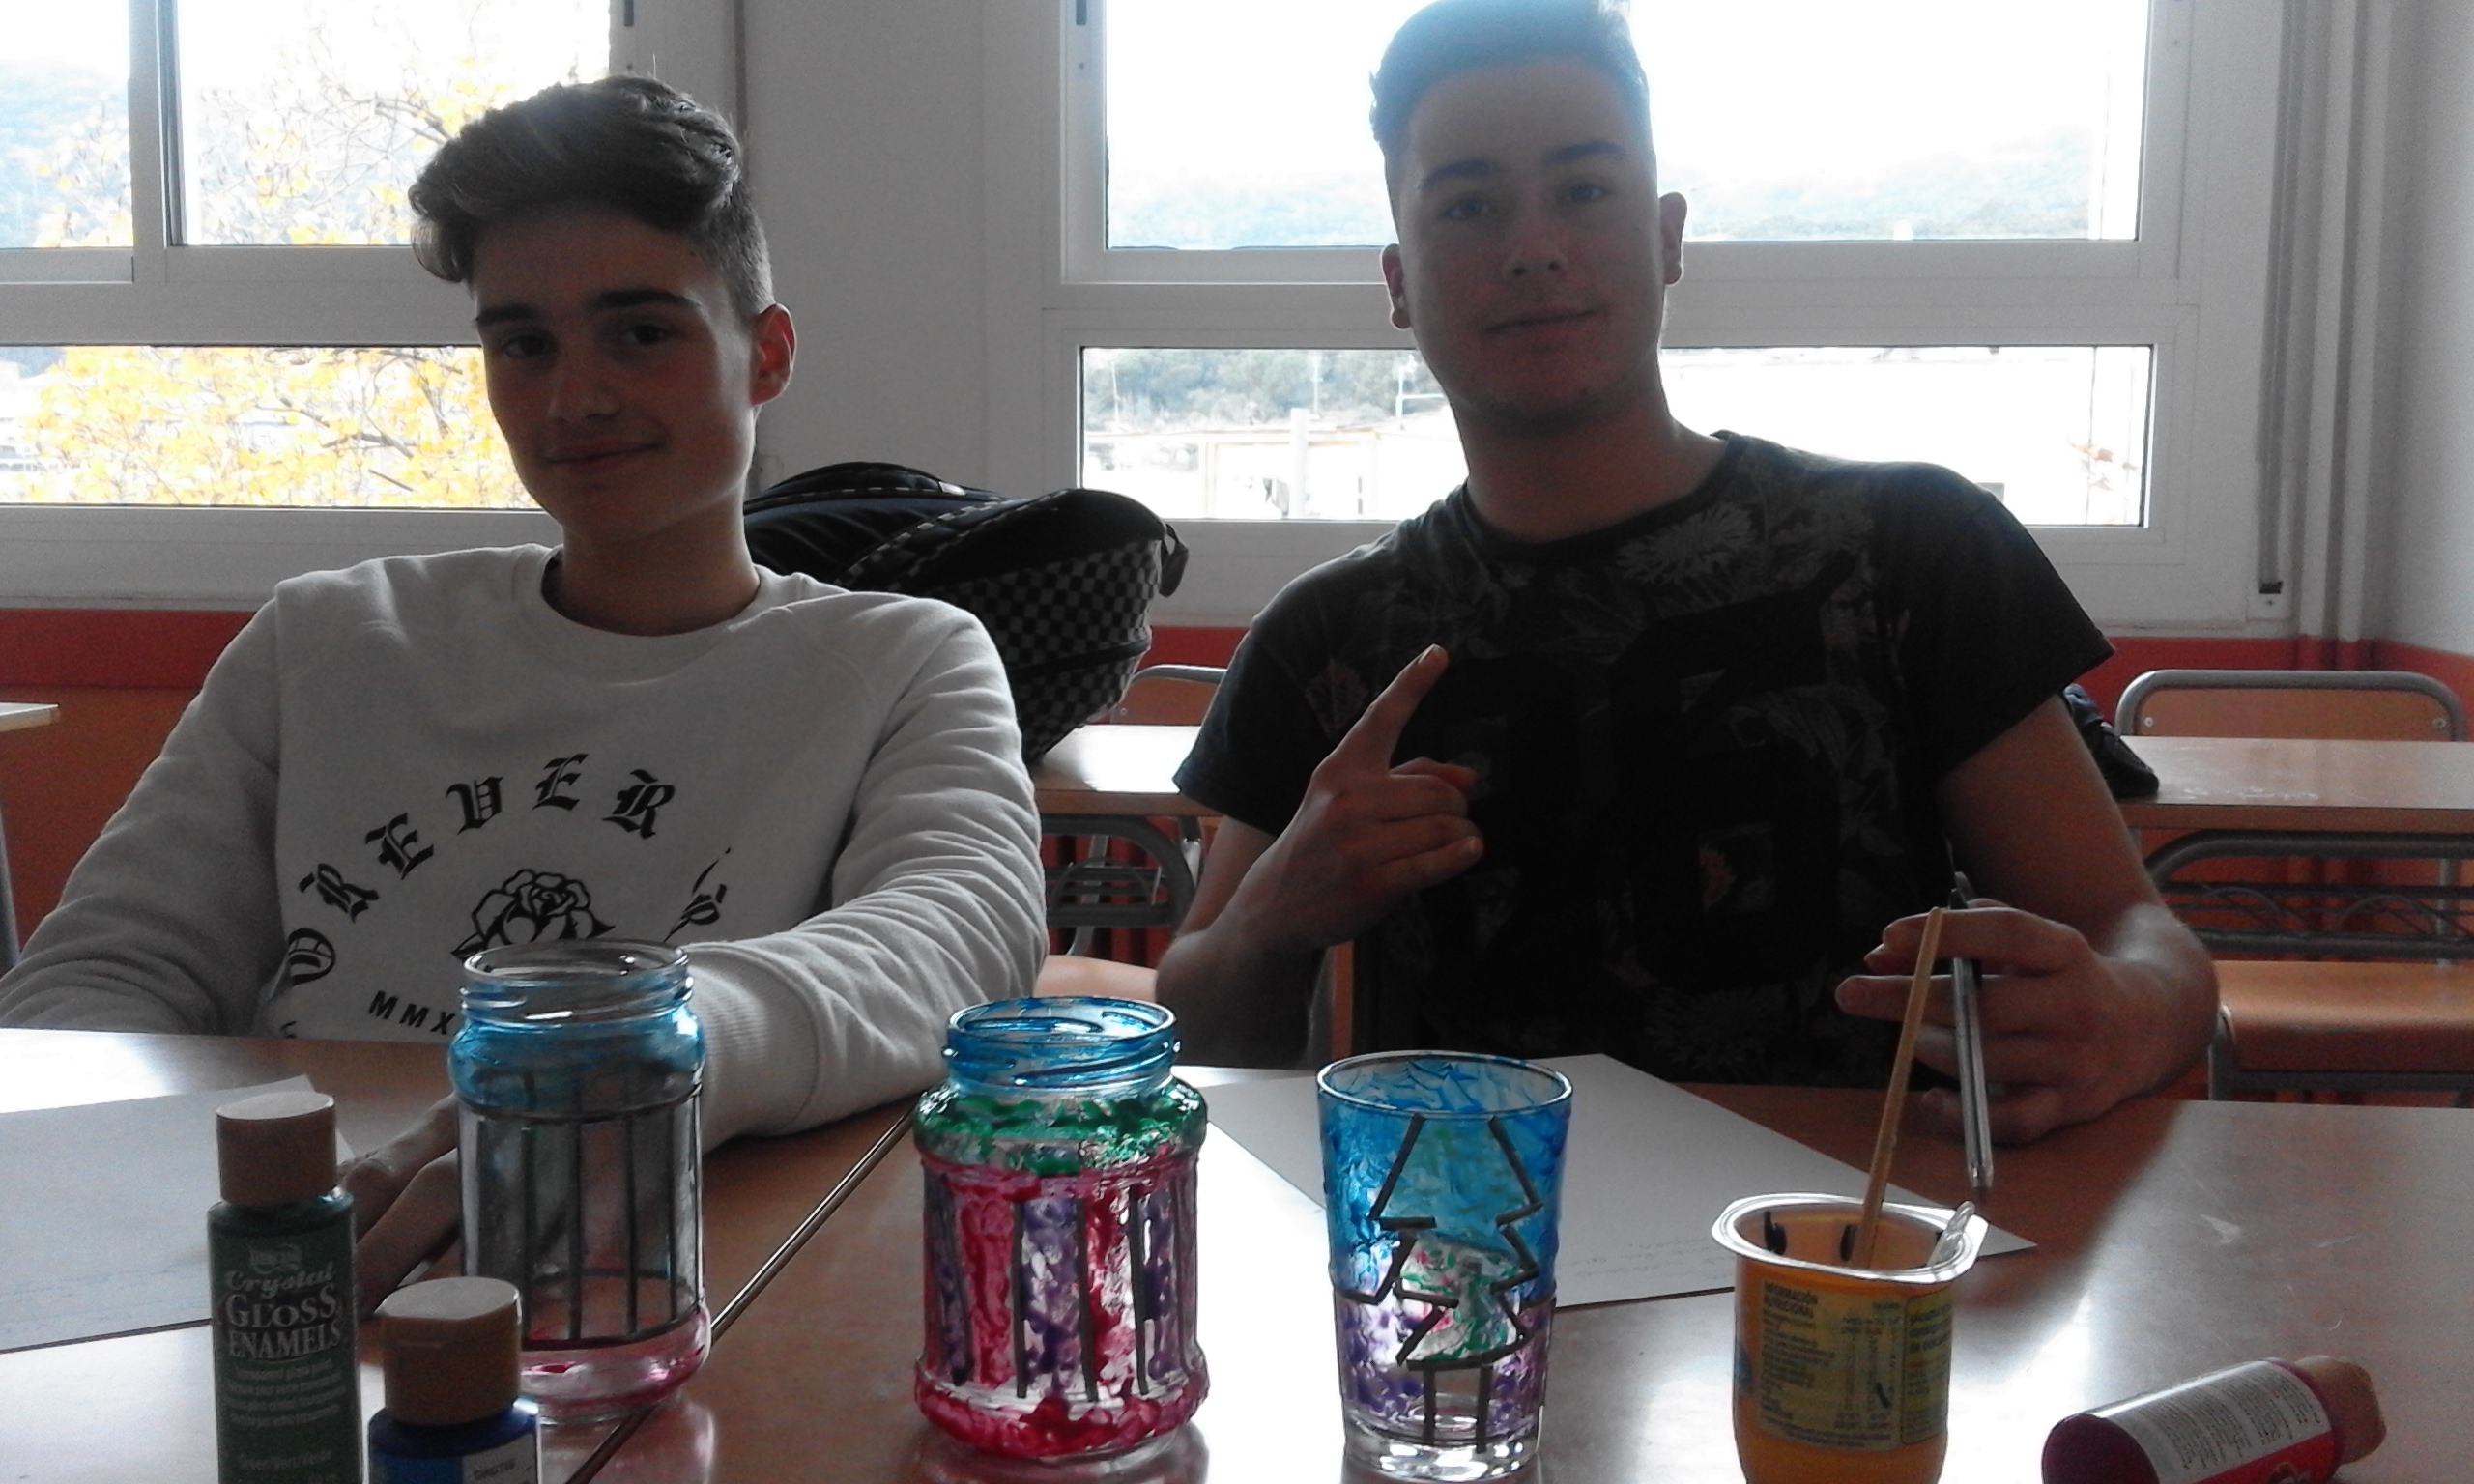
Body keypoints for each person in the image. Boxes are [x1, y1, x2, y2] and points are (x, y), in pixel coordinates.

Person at [0, 77, 1046, 1301]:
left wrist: (640, 1061)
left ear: (765, 356)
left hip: (665, 1275)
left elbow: (958, 934)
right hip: (293, 1270)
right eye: (523, 344)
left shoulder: (906, 658)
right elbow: (99, 981)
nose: (574, 399)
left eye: (640, 333)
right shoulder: (327, 638)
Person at [1155, 0, 2215, 1143]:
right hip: (1475, 1236)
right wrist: (1272, 916)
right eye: (1466, 206)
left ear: (1667, 238)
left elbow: (2140, 941)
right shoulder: (1326, 637)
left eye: (1583, 189)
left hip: (1841, 1230)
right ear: (1398, 280)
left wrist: (2122, 1016)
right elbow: (1199, 1032)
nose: (1533, 247)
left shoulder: (1909, 547)